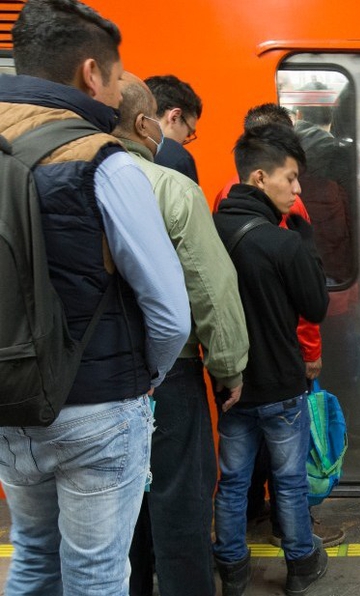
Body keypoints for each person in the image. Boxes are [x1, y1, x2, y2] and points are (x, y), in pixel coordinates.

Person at [0, 1, 191, 593]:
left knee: (32, 555)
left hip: (10, 400)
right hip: (98, 407)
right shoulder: (104, 162)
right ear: (91, 73)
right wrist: (147, 377)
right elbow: (169, 312)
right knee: (97, 573)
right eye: (116, 75)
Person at [113, 73, 250, 596]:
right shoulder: (171, 188)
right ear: (148, 124)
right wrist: (229, 367)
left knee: (115, 518)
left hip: (86, 385)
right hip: (167, 376)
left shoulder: (58, 178)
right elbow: (211, 290)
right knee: (180, 502)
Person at [212, 124, 329, 595]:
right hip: (281, 385)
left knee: (234, 479)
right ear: (260, 178)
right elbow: (315, 306)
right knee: (289, 480)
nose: (298, 189)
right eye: (291, 178)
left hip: (231, 386)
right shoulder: (284, 242)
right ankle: (301, 563)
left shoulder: (210, 231)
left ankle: (232, 567)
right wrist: (306, 247)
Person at [145, 74, 202, 182]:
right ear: (174, 117)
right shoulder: (175, 157)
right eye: (188, 134)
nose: (183, 141)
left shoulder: (113, 147)